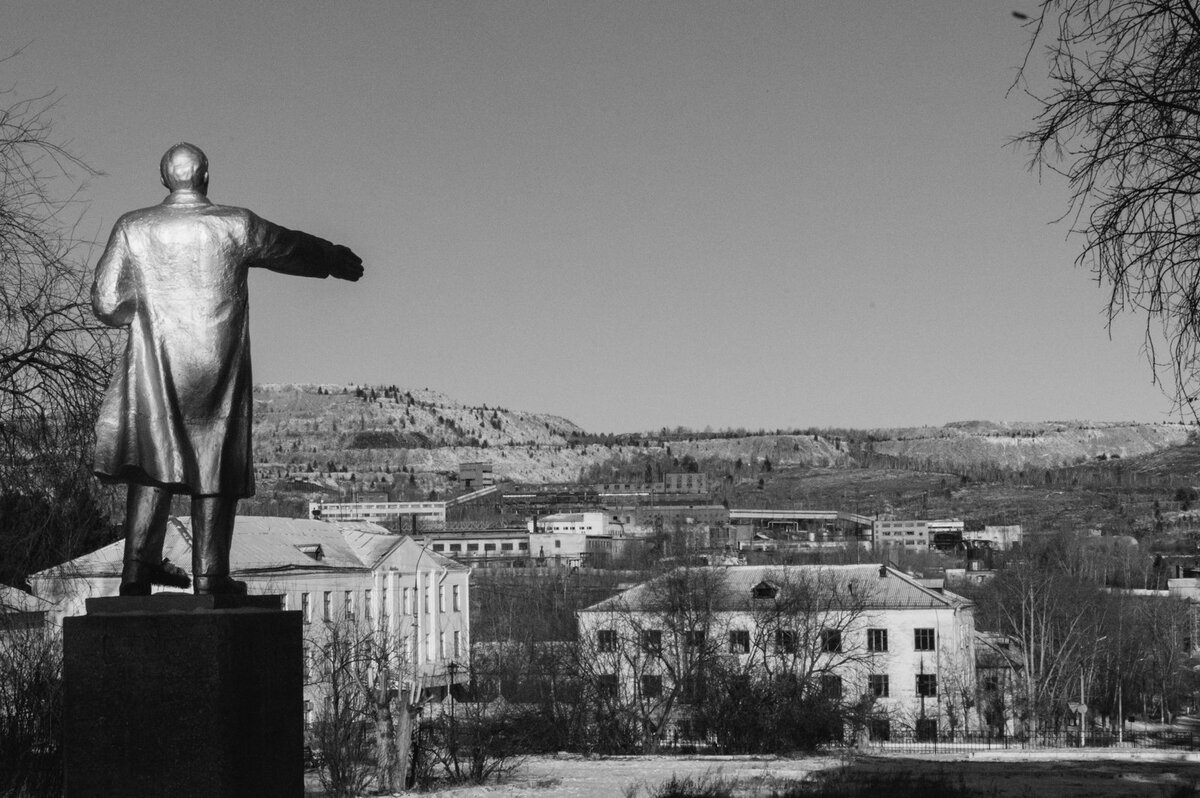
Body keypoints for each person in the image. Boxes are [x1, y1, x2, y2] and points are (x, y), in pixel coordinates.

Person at [92, 143, 364, 595]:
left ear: (165, 180)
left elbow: (104, 302)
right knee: (212, 454)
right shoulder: (233, 224)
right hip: (217, 361)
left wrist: (147, 313)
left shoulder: (133, 227)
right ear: (206, 176)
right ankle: (211, 575)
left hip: (158, 359)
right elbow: (288, 246)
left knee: (153, 459)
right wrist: (331, 258)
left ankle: (137, 569)